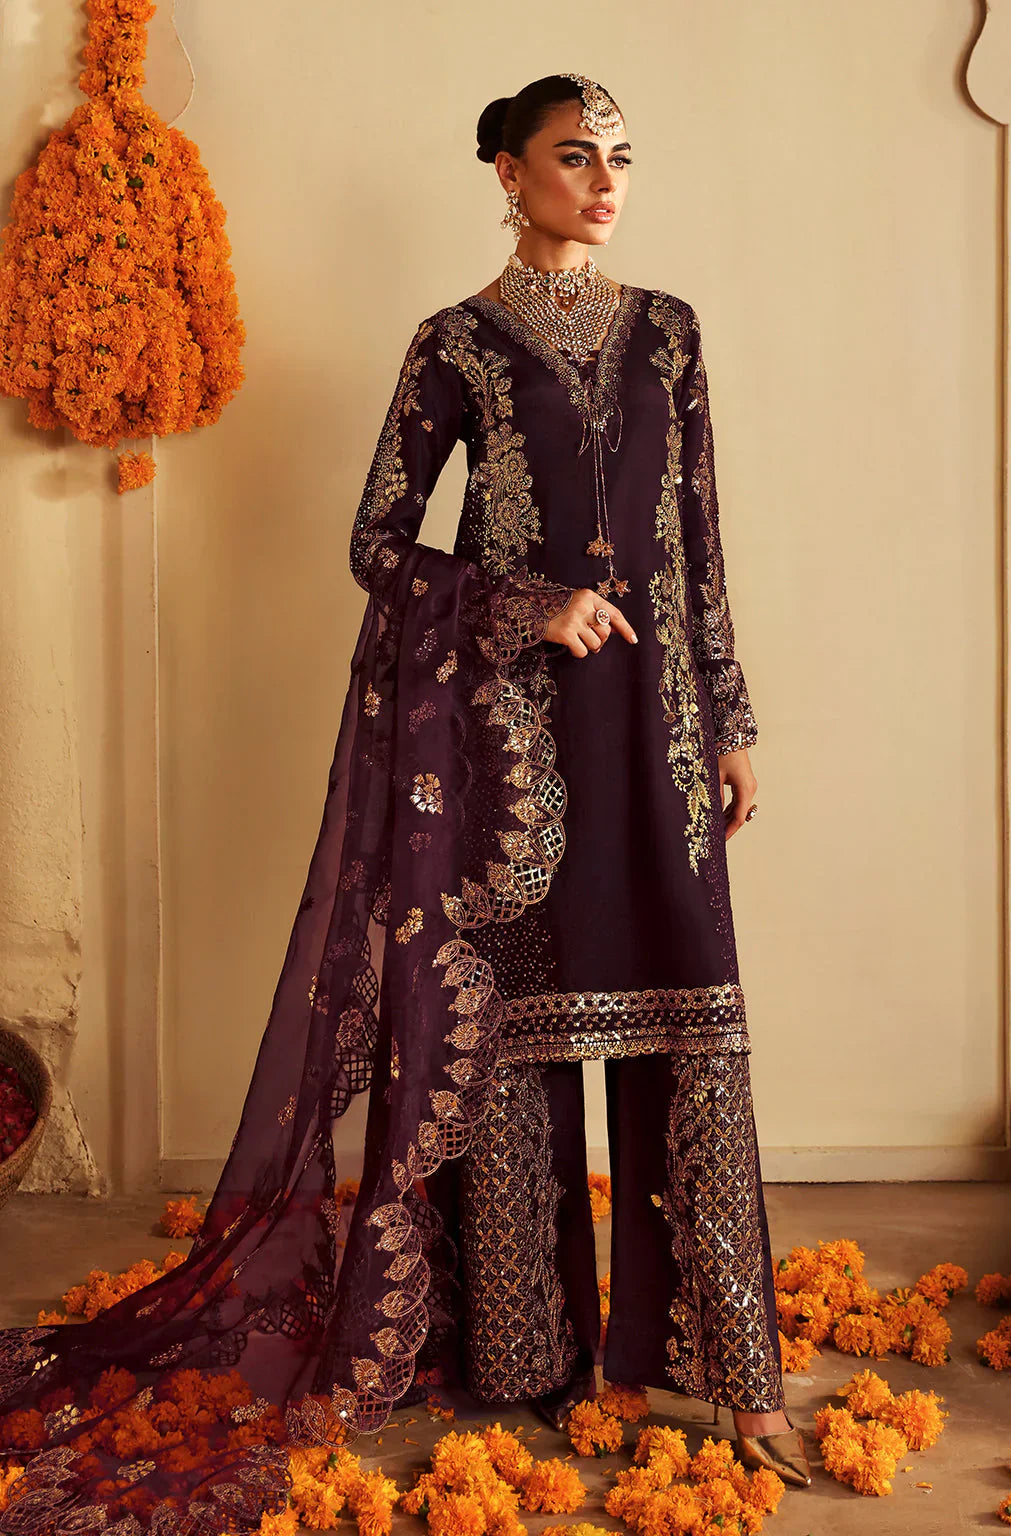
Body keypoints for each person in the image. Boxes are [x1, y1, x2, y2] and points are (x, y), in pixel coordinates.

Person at [0, 72, 808, 1533]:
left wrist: (733, 721)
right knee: (513, 1046)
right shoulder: (457, 345)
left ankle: (734, 1375)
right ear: (507, 170)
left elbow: (698, 538)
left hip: (662, 733)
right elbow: (378, 541)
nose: (606, 182)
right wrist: (525, 606)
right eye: (576, 156)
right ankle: (530, 1355)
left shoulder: (669, 332)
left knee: (691, 1026)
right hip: (516, 745)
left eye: (622, 158)